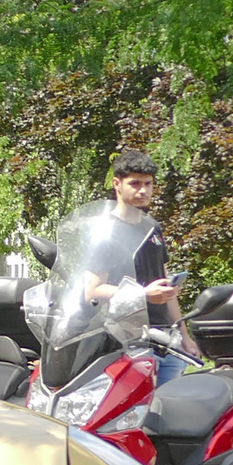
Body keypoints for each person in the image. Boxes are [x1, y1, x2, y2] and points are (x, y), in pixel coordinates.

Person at [102, 151, 187, 385]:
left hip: (167, 341)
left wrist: (185, 337)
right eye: (135, 183)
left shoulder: (153, 228)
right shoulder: (104, 231)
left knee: (168, 413)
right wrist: (143, 294)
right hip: (127, 343)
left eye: (148, 184)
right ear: (116, 184)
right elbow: (93, 289)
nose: (143, 190)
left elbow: (164, 285)